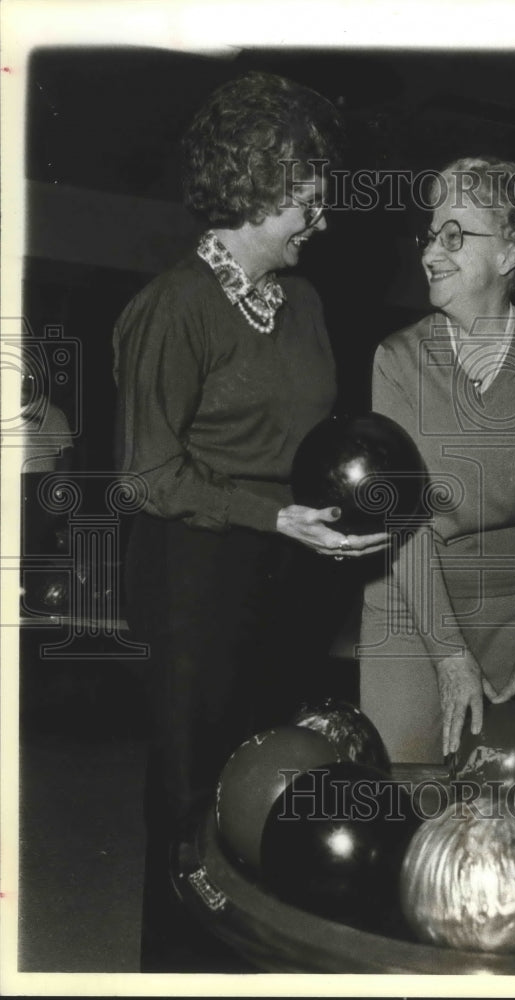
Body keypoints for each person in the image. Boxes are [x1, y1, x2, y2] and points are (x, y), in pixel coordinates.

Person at [113, 71, 387, 971]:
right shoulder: (174, 307)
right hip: (195, 568)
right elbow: (149, 477)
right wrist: (278, 516)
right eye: (306, 198)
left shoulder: (303, 304)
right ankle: (174, 968)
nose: (321, 216)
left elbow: (317, 447)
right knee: (194, 795)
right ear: (255, 186)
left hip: (287, 563)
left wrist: (347, 514)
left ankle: (241, 970)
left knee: (268, 783)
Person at [360, 157, 515, 763]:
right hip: (412, 606)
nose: (431, 252)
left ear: (508, 253)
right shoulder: (398, 359)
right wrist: (448, 656)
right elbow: (400, 517)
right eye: (431, 235)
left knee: (510, 811)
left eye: (455, 235)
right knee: (410, 799)